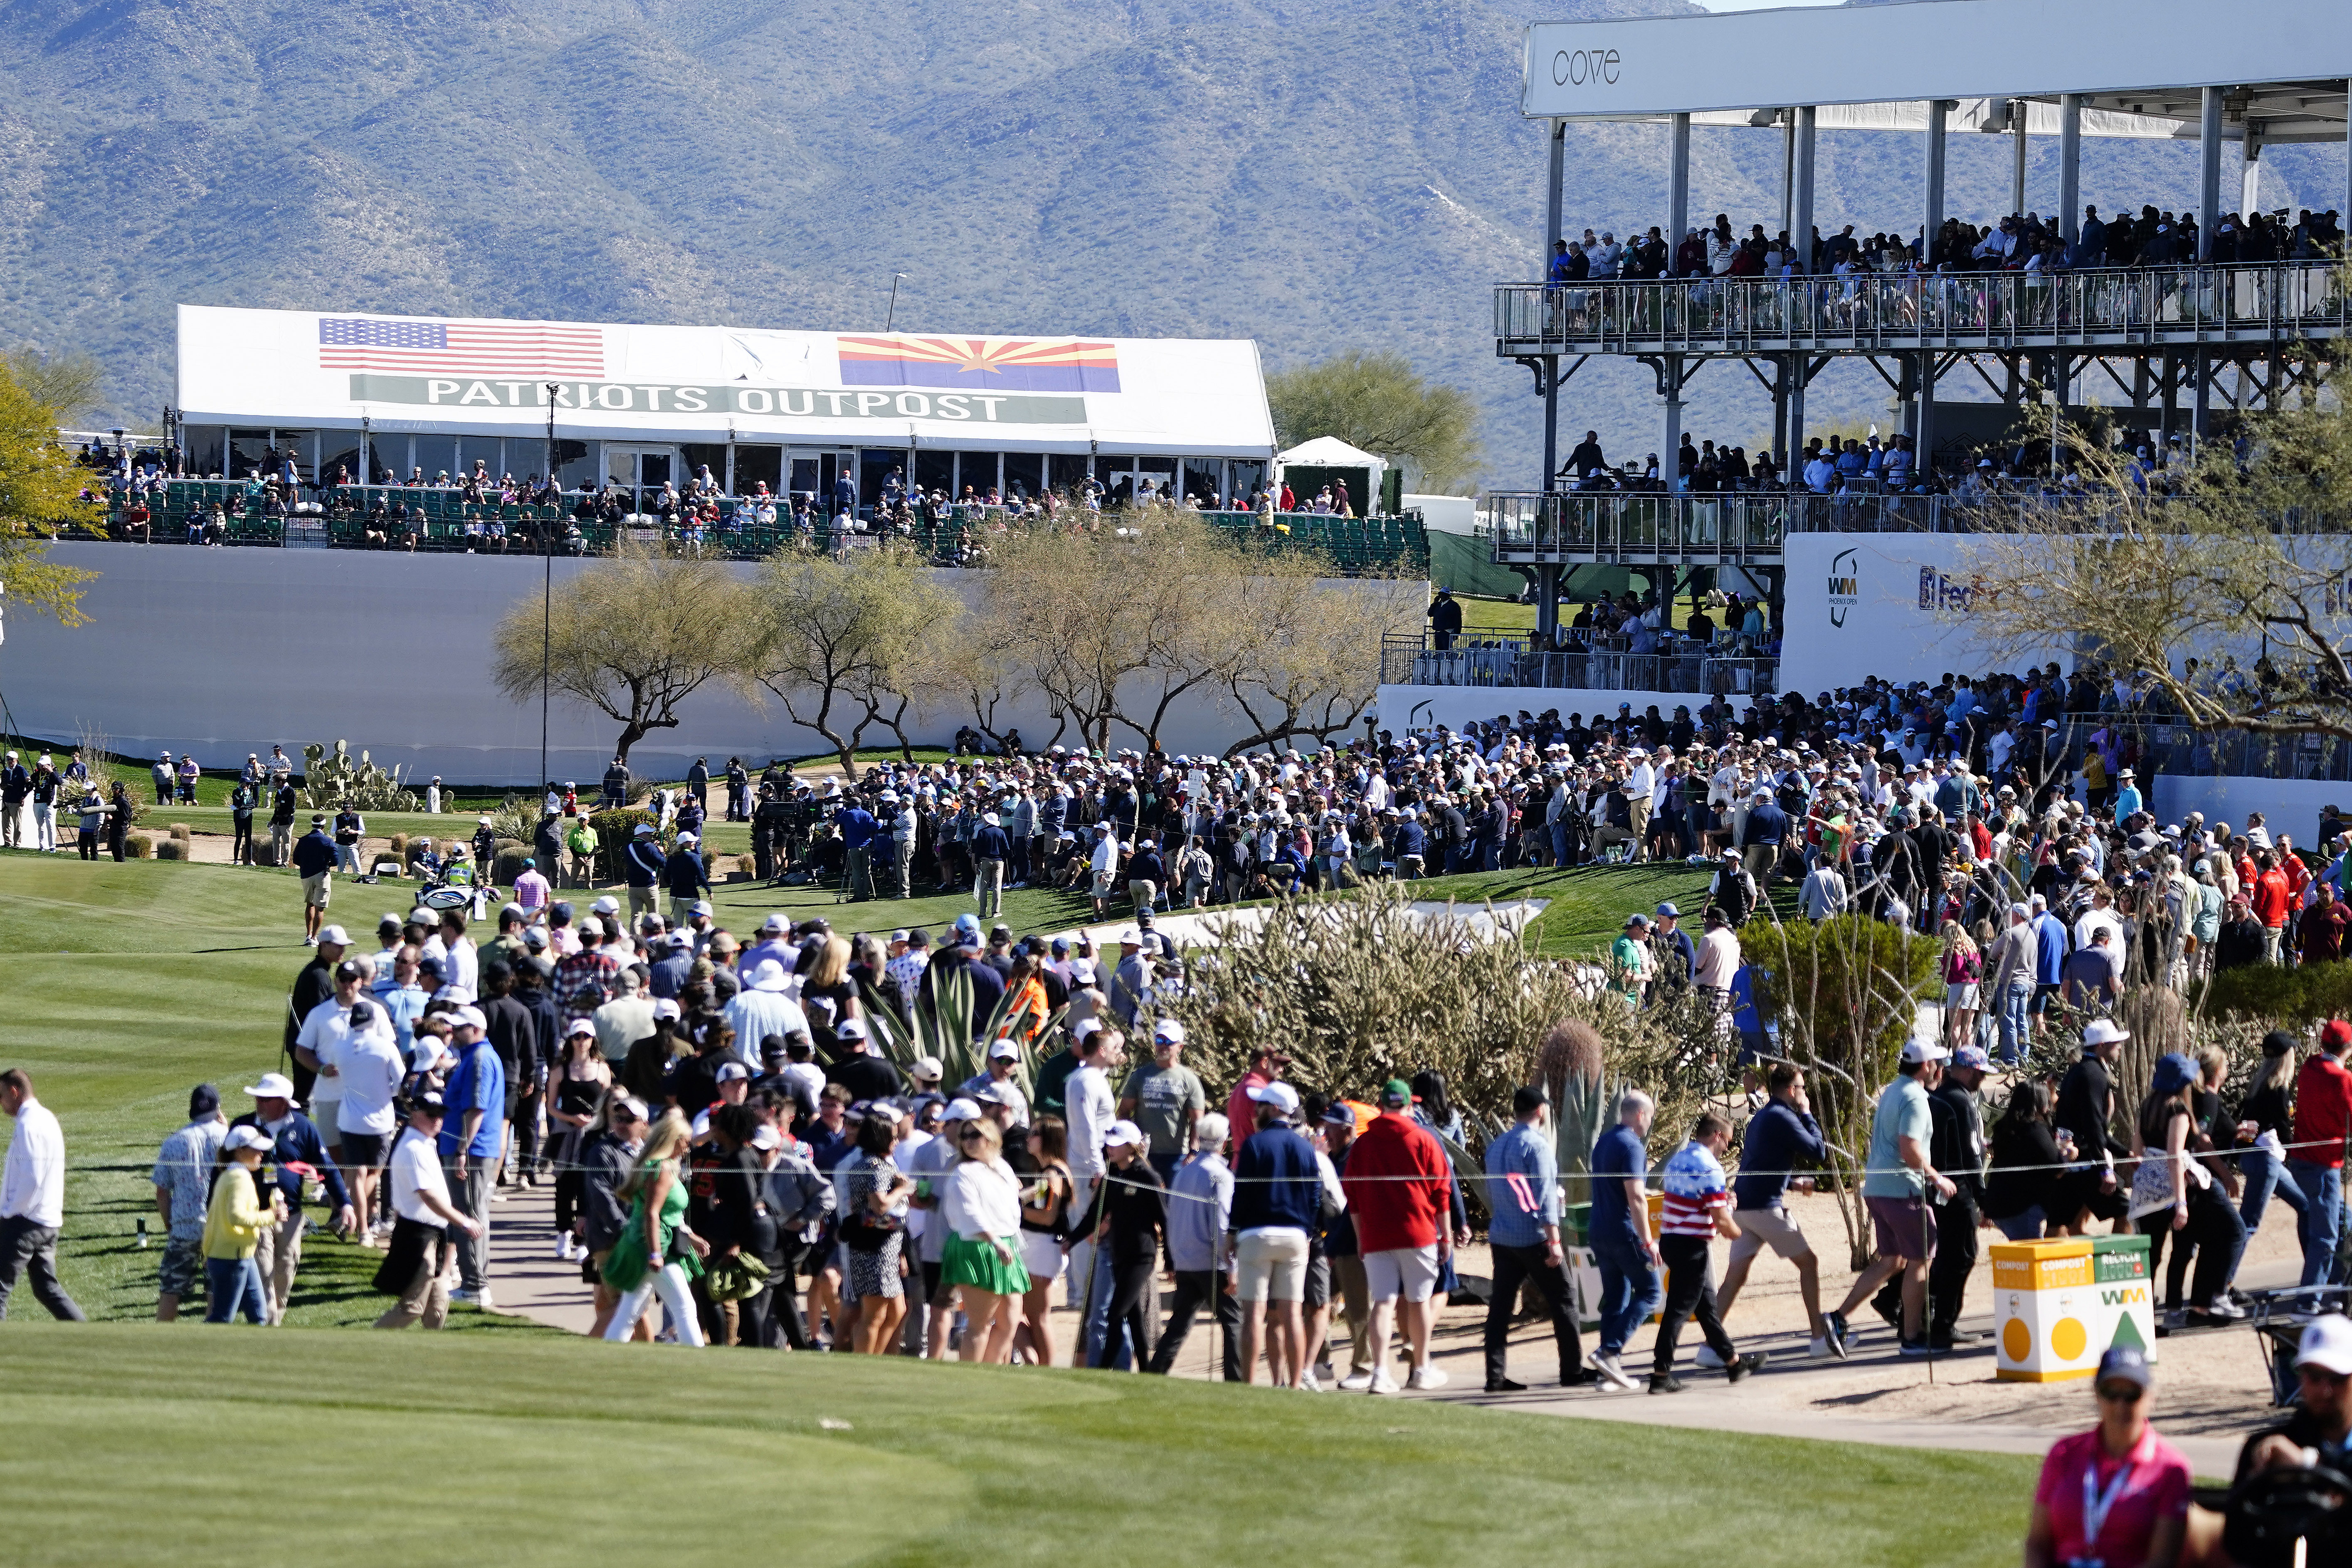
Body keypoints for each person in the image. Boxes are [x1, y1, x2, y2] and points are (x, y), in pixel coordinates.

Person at [1824, 1038, 1955, 1356]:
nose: (1940, 1068)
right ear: (1926, 1066)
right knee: (1921, 1258)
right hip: (1903, 1189)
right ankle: (1912, 1336)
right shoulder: (1915, 1097)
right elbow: (1910, 1148)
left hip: (1878, 1189)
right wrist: (1938, 1179)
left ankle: (1837, 1318)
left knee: (1893, 1260)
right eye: (1937, 1062)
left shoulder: (1893, 1089)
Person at [2023, 1346, 2191, 1568]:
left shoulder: (2170, 1469)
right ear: (2096, 1395)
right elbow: (2037, 1543)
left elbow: (2162, 1561)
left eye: (2132, 1394)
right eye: (2110, 1392)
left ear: (2151, 1398)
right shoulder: (2063, 1454)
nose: (2120, 1404)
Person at [1716, 1062, 1839, 1358]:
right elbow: (1818, 1151)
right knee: (1808, 1264)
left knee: (1735, 1277)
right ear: (1790, 1090)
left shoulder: (1763, 1116)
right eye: (1801, 1087)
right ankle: (1818, 1339)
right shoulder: (1784, 1116)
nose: (1804, 1093)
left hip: (1745, 1208)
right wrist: (1808, 1113)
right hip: (1764, 1210)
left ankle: (1710, 1346)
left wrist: (1793, 1184)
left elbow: (1763, 1162)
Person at [1342, 1077, 1455, 1394]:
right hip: (1418, 1232)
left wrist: (1360, 1236)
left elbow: (1352, 1195)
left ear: (1381, 1105)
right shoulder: (1424, 1138)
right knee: (1419, 1301)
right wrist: (1445, 1237)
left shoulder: (1363, 1143)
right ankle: (1420, 1368)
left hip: (1376, 1234)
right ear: (1409, 1105)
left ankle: (1380, 1372)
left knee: (1383, 1302)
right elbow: (1441, 1192)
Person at [1480, 1084, 1592, 1393]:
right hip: (1534, 1236)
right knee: (1564, 1299)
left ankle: (1495, 1375)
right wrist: (1554, 1239)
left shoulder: (1497, 1146)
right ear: (1540, 1111)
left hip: (1503, 1235)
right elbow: (1544, 1193)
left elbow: (1493, 1190)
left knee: (1500, 1307)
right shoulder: (1537, 1146)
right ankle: (1571, 1370)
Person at [1649, 1111, 1764, 1393]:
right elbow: (1721, 1220)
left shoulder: (1678, 1160)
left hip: (1672, 1239)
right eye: (1727, 1140)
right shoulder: (1710, 1167)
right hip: (1691, 1245)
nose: (1726, 1147)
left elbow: (1697, 1200)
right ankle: (1660, 1374)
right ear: (1716, 1135)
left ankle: (1733, 1362)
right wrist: (1738, 1225)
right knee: (1678, 1310)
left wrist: (1724, 1204)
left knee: (1706, 1308)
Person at [2131, 1051, 2248, 1326]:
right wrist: (2180, 1202)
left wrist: (2151, 1179)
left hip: (2147, 1193)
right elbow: (2175, 1154)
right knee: (2219, 1236)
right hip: (2182, 1188)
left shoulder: (2146, 1106)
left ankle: (2148, 1317)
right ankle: (2209, 1298)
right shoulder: (2178, 1110)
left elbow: (2135, 1154)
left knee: (2152, 1255)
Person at [229, 1071, 352, 1325]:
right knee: (264, 1275)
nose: (259, 1103)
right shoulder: (242, 1128)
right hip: (257, 1215)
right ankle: (268, 1326)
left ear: (284, 1102)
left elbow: (326, 1167)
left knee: (285, 1270)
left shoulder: (304, 1127)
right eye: (258, 1098)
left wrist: (345, 1204)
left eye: (266, 1099)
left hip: (292, 1215)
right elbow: (221, 1169)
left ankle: (274, 1326)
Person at [1227, 1079, 1319, 1389]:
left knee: (1254, 1313)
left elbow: (1242, 1193)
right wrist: (1307, 1230)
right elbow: (1314, 1195)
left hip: (1256, 1234)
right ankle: (1294, 1385)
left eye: (1261, 1105)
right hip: (1294, 1236)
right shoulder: (1306, 1147)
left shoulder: (1254, 1144)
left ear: (1275, 1108)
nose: (1255, 1111)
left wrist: (1231, 1230)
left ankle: (1250, 1385)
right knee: (1293, 1313)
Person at [374, 1092, 484, 1331]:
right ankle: (368, 1344)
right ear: (414, 1114)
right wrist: (463, 1222)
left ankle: (431, 1352)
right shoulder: (413, 1147)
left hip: (433, 1233)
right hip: (417, 1235)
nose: (437, 1120)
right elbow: (428, 1196)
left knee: (439, 1303)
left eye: (441, 1115)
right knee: (413, 1306)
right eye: (430, 1115)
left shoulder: (425, 1143)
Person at [602, 1107, 709, 1345]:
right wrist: (655, 1254)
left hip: (655, 1242)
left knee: (631, 1309)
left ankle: (610, 1353)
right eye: (687, 1142)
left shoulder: (666, 1166)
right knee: (685, 1306)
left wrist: (690, 1236)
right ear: (675, 1140)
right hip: (655, 1245)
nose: (688, 1148)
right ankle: (697, 1358)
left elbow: (672, 1214)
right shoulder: (661, 1169)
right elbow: (652, 1213)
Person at [1150, 1112, 1240, 1381]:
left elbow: (1172, 1218)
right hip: (1211, 1261)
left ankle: (1155, 1373)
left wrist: (1174, 1258)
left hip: (1186, 1260)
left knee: (1179, 1324)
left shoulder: (1183, 1173)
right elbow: (1221, 1222)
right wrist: (1231, 1265)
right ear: (1224, 1142)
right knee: (1234, 1320)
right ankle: (1236, 1381)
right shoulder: (1221, 1176)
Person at [1586, 1089, 1661, 1391]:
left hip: (1599, 1231)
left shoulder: (1604, 1141)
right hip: (1624, 1232)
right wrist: (1648, 1240)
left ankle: (1609, 1370)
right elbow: (1637, 1197)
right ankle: (1609, 1350)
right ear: (1640, 1114)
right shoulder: (1631, 1146)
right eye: (1650, 1117)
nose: (1649, 1124)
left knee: (1616, 1298)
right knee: (1651, 1292)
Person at [941, 1114, 1031, 1363]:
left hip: (1006, 1243)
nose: (968, 1141)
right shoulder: (962, 1172)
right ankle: (971, 1377)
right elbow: (970, 1213)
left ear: (991, 1137)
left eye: (975, 1135)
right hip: (979, 1247)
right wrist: (996, 1242)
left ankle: (990, 1372)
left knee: (1011, 1319)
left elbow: (1008, 1204)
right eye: (964, 1136)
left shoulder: (1002, 1167)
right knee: (979, 1323)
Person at [0, 1069, 84, 1322]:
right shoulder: (47, 1118)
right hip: (48, 1221)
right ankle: (87, 1338)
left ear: (15, 1092)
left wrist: (11, 1212)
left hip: (25, 1222)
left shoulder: (29, 1125)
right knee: (47, 1289)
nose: (0, 1103)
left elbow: (33, 1178)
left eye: (1, 1096)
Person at [437, 1006, 507, 1306]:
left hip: (471, 1151)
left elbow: (476, 1109)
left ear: (477, 1029)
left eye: (460, 1027)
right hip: (470, 1148)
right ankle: (473, 1282)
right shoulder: (475, 1057)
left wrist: (463, 1149)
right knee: (469, 1214)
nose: (454, 1032)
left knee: (469, 1216)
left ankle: (475, 1285)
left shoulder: (479, 1059)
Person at [1084, 1120, 1167, 1371]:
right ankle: (1147, 1369)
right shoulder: (1112, 1177)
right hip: (1120, 1254)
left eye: (1117, 1145)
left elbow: (1164, 1218)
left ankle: (1103, 1371)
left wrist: (1172, 1261)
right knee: (1133, 1315)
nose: (1111, 1149)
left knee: (1115, 1313)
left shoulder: (1147, 1177)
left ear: (1132, 1147)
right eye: (1109, 1144)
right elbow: (1093, 1216)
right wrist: (1070, 1239)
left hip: (1141, 1256)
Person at [2236, 1312, 2352, 1484]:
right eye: (2314, 1377)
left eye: (2337, 1378)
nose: (2325, 1390)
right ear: (2301, 1378)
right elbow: (2237, 1510)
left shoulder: (2283, 1450)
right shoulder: (2265, 1451)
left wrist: (2306, 1464)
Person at [153, 1084, 228, 1320]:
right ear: (218, 1109)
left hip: (185, 1225)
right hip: (220, 1226)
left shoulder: (174, 1142)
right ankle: (210, 1338)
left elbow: (162, 1193)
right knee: (215, 1289)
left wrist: (169, 1224)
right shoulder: (229, 1139)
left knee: (170, 1289)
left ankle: (161, 1340)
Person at [2289, 1018, 2352, 1290]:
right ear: (2347, 1047)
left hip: (2301, 1160)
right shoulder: (2342, 1078)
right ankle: (2310, 1299)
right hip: (2324, 1164)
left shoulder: (2309, 1066)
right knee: (2325, 1235)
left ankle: (2339, 1280)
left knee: (2340, 1219)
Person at [201, 1125, 278, 1325]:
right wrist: (271, 1216)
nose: (261, 1154)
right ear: (240, 1151)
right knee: (222, 1318)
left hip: (241, 1254)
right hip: (231, 1257)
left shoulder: (232, 1175)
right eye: (256, 1149)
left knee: (259, 1317)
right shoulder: (239, 1179)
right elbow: (236, 1217)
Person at [291, 814, 338, 945]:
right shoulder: (328, 841)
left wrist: (307, 866)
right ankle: (314, 938)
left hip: (306, 876)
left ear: (313, 825)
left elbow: (296, 860)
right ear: (324, 826)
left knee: (310, 904)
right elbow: (336, 861)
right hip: (322, 875)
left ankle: (308, 935)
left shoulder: (303, 840)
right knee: (320, 907)